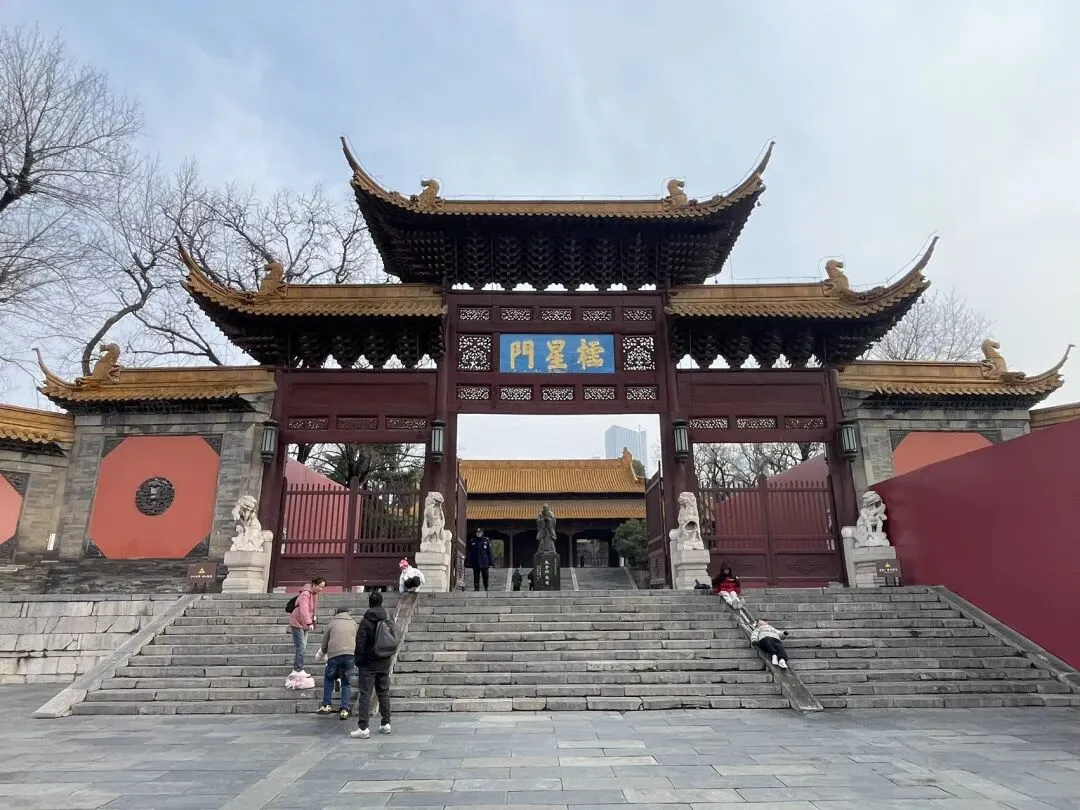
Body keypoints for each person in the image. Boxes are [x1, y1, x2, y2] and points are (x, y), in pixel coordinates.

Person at [350, 590, 394, 739]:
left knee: (365, 694)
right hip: (384, 661)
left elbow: (360, 643)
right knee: (383, 692)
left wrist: (358, 660)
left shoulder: (366, 621)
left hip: (368, 664)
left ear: (370, 603)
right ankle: (386, 724)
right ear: (381, 603)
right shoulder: (387, 619)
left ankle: (363, 727)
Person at [316, 607, 357, 719]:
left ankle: (326, 705)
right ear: (348, 613)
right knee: (346, 682)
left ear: (336, 613)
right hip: (350, 655)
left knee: (329, 679)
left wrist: (322, 652)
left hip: (334, 655)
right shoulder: (353, 623)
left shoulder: (332, 623)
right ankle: (344, 709)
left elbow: (325, 642)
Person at [288, 577, 325, 679]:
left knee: (302, 646)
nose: (321, 589)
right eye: (319, 586)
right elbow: (304, 609)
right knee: (301, 646)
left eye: (322, 587)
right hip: (297, 622)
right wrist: (309, 623)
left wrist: (313, 619)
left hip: (304, 623)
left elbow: (313, 609)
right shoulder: (306, 594)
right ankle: (297, 669)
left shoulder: (315, 594)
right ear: (314, 584)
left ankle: (297, 669)